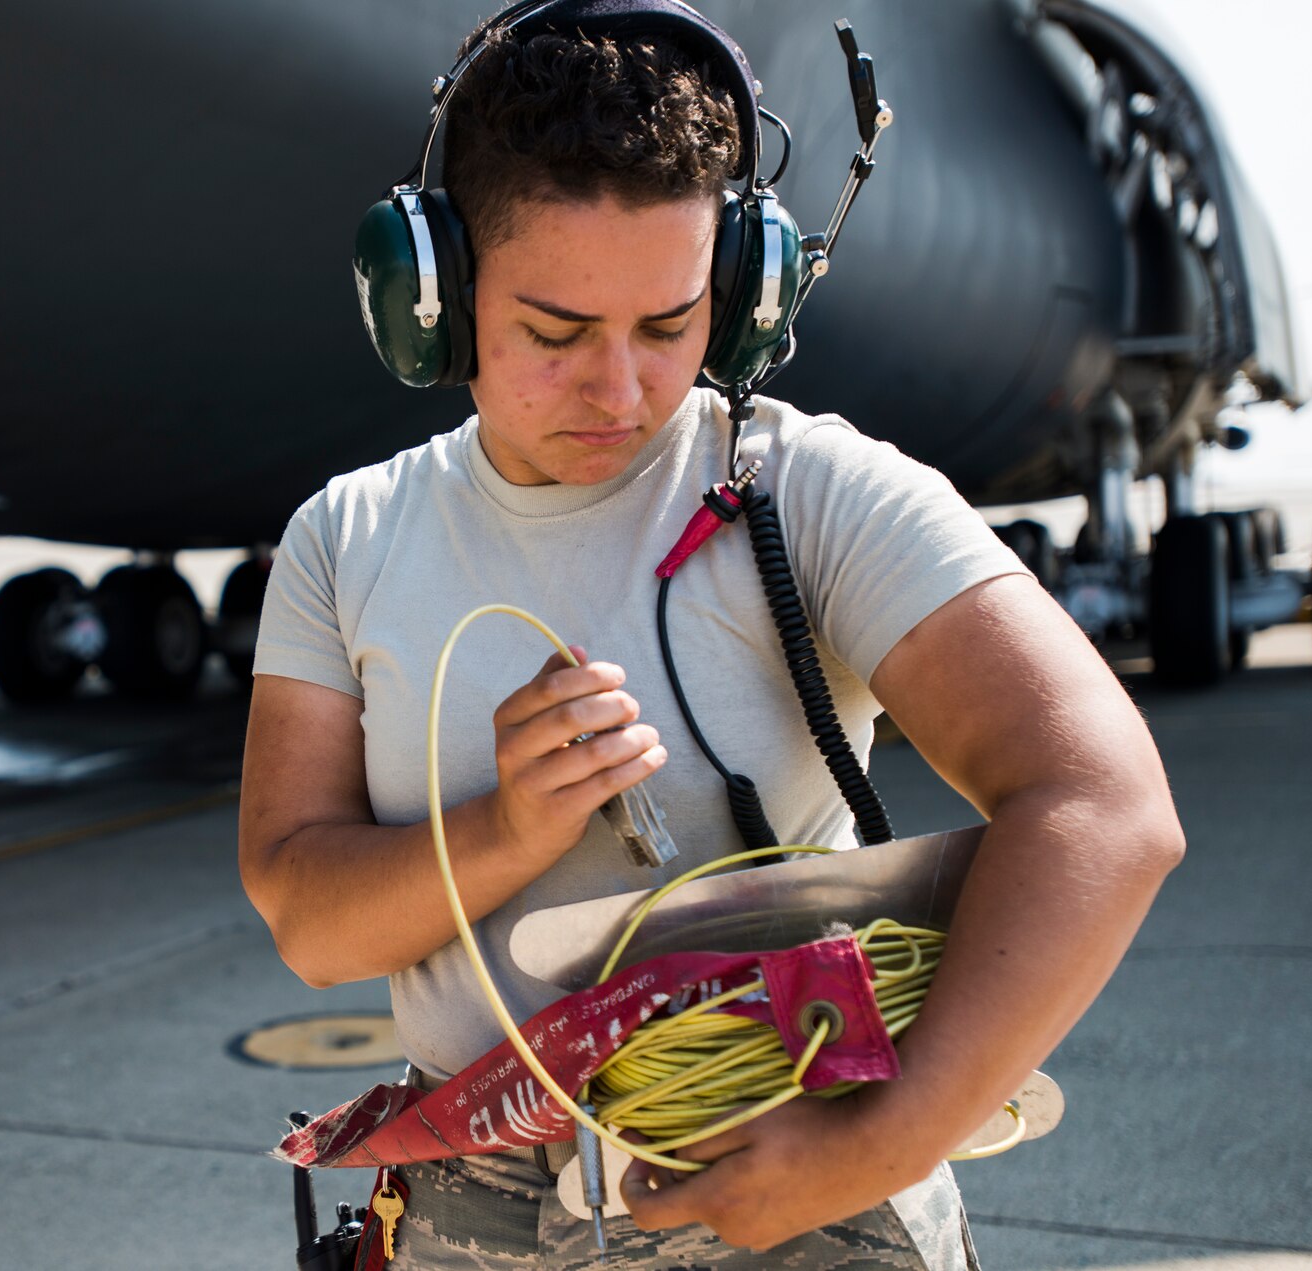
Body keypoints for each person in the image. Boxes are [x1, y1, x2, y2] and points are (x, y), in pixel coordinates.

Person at [239, 5, 1184, 1267]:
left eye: (671, 323)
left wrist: (882, 1145)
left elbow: (1104, 806)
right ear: (438, 295)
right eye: (554, 332)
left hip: (797, 1169)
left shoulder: (823, 493)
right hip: (472, 1198)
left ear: (740, 297)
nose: (622, 389)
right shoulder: (343, 539)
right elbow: (311, 922)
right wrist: (504, 830)